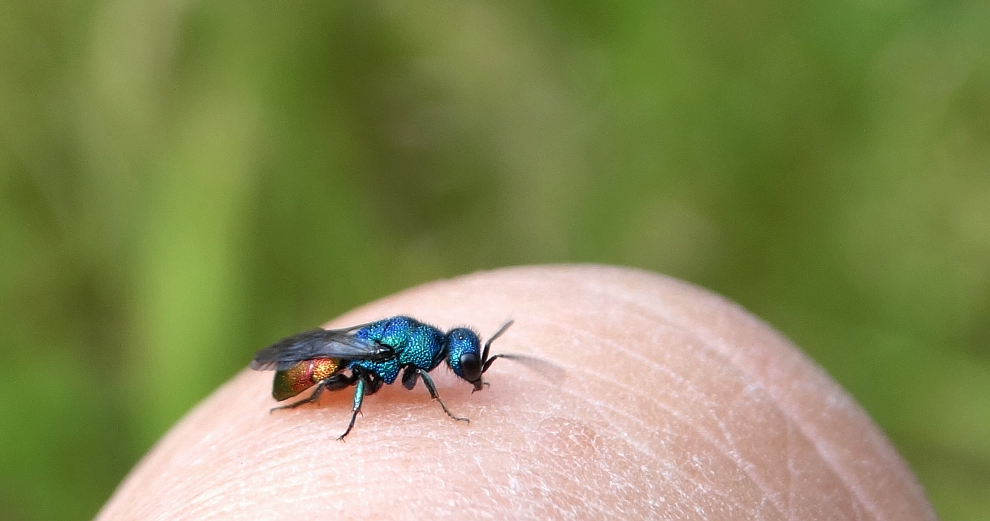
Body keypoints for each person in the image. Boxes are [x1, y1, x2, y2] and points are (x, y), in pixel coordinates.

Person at [96, 265, 937, 520]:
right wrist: (335, 399)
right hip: (312, 365)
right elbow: (357, 364)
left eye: (468, 368)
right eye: (466, 369)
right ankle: (317, 400)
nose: (469, 375)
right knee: (340, 373)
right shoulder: (405, 357)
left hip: (343, 353)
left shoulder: (426, 347)